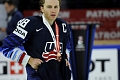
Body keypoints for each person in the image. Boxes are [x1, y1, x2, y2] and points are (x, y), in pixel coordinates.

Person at [2, 0, 71, 80]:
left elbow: (68, 46)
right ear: (42, 8)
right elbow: (6, 46)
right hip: (38, 76)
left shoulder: (63, 26)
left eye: (56, 7)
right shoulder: (31, 24)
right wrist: (28, 60)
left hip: (59, 75)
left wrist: (66, 57)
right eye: (49, 7)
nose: (53, 10)